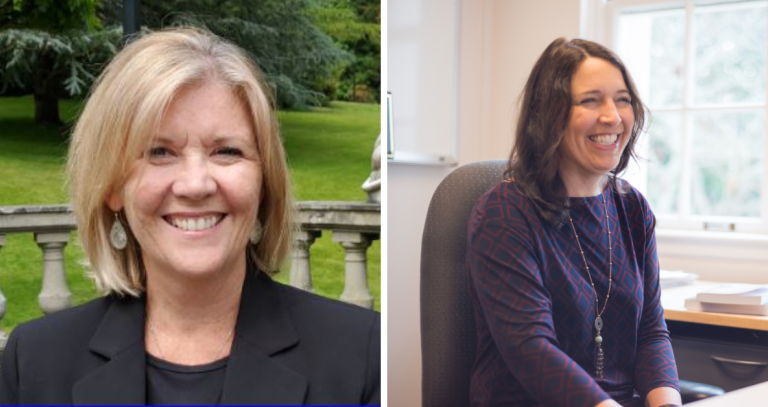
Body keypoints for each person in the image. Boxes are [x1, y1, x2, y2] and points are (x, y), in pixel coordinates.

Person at [0, 27, 380, 404]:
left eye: (227, 151)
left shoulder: (365, 358)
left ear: (264, 183)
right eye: (160, 152)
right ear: (113, 186)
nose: (195, 185)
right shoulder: (34, 362)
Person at [466, 38, 681, 407]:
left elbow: (650, 332)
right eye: (591, 100)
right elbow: (531, 349)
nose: (613, 116)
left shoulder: (632, 208)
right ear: (549, 114)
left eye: (623, 99)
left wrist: (668, 403)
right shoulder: (504, 213)